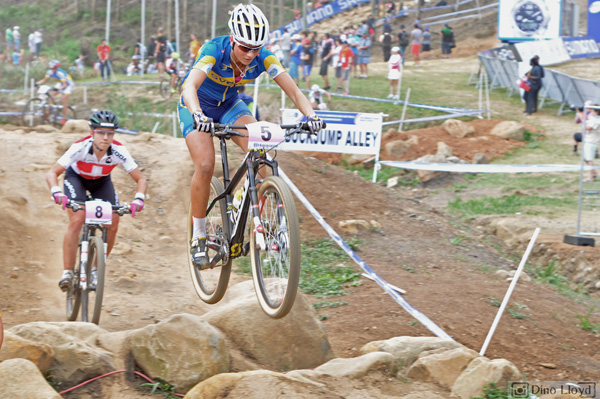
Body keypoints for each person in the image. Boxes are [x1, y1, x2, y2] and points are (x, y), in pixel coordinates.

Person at [178, 3, 323, 269]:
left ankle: (240, 204)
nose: (250, 54)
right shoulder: (214, 50)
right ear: (233, 40)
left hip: (230, 105)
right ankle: (198, 235)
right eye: (245, 47)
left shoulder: (263, 56)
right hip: (196, 105)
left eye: (255, 48)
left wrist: (310, 116)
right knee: (207, 165)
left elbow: (294, 91)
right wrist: (198, 114)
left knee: (261, 153)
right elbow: (190, 84)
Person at [45, 110, 147, 291]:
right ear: (92, 132)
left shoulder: (119, 150)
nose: (105, 138)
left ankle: (95, 269)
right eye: (101, 132)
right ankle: (67, 272)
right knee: (77, 220)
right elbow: (52, 173)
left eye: (110, 133)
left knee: (113, 223)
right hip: (76, 178)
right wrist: (56, 192)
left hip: (101, 182)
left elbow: (141, 179)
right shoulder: (80, 147)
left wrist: (139, 199)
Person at [36, 60, 75, 125]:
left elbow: (65, 85)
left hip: (69, 84)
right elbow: (44, 80)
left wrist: (58, 89)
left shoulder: (60, 73)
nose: (52, 70)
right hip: (60, 83)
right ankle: (51, 109)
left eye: (54, 68)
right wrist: (37, 83)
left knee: (64, 100)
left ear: (56, 68)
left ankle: (65, 118)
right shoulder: (49, 72)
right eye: (51, 68)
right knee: (51, 94)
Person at [583, 106, 600, 181]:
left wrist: (584, 121)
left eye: (592, 111)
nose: (591, 112)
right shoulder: (594, 119)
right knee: (585, 159)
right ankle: (594, 173)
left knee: (589, 160)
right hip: (588, 140)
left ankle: (591, 177)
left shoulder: (597, 121)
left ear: (596, 112)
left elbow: (588, 127)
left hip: (592, 141)